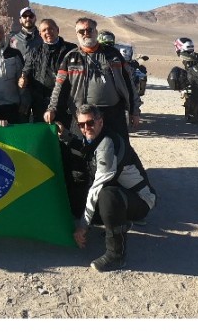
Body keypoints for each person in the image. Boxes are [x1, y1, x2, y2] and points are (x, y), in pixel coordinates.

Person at [64, 104, 156, 272]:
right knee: (77, 202)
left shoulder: (107, 144)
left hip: (141, 200)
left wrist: (82, 226)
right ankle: (119, 224)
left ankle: (116, 255)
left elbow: (97, 189)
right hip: (124, 193)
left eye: (90, 123)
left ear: (100, 121)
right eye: (81, 125)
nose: (86, 128)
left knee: (107, 196)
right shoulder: (97, 137)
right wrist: (65, 136)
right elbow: (86, 149)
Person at [46, 17, 140, 139]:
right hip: (82, 115)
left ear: (96, 31)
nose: (86, 33)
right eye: (81, 31)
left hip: (113, 114)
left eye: (89, 30)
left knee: (119, 151)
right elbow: (59, 87)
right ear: (77, 34)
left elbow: (129, 83)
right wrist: (52, 109)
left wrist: (134, 111)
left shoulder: (113, 54)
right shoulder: (70, 58)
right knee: (82, 152)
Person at [19, 18, 76, 123]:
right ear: (40, 34)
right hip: (40, 104)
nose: (48, 32)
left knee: (62, 134)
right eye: (44, 30)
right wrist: (23, 77)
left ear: (57, 30)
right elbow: (27, 69)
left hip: (64, 102)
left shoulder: (71, 49)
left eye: (51, 28)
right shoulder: (35, 51)